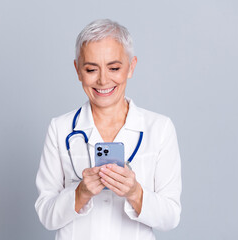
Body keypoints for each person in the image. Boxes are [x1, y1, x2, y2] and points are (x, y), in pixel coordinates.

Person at [35, 19, 182, 240]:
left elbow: (170, 217)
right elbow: (46, 215)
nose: (103, 80)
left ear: (131, 67)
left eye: (114, 68)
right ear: (77, 70)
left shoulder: (159, 128)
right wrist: (81, 193)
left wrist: (135, 193)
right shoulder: (60, 129)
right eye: (91, 69)